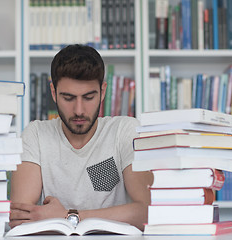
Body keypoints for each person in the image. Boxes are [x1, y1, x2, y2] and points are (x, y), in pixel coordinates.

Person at [9, 44, 153, 230]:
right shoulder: (35, 135)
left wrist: (68, 216)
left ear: (103, 91)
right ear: (53, 93)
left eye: (88, 97)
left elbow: (148, 211)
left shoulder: (125, 131)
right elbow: (21, 220)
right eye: (68, 98)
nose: (79, 110)